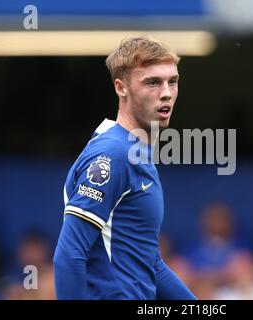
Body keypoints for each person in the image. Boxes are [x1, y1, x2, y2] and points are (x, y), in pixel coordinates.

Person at [53, 36, 196, 300]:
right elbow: (69, 255)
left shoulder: (136, 151)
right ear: (121, 88)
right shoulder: (112, 154)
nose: (166, 92)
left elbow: (150, 263)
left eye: (172, 81)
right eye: (152, 82)